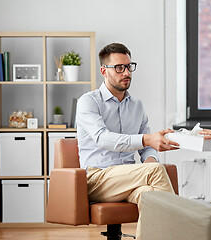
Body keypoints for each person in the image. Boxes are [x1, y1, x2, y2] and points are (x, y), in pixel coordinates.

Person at [76, 42, 179, 239]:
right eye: (119, 68)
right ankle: (183, 232)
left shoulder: (137, 105)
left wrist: (150, 159)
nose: (126, 73)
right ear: (104, 71)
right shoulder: (88, 102)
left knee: (151, 195)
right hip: (97, 178)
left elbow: (147, 147)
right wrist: (147, 140)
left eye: (129, 67)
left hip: (129, 178)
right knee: (157, 171)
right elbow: (103, 139)